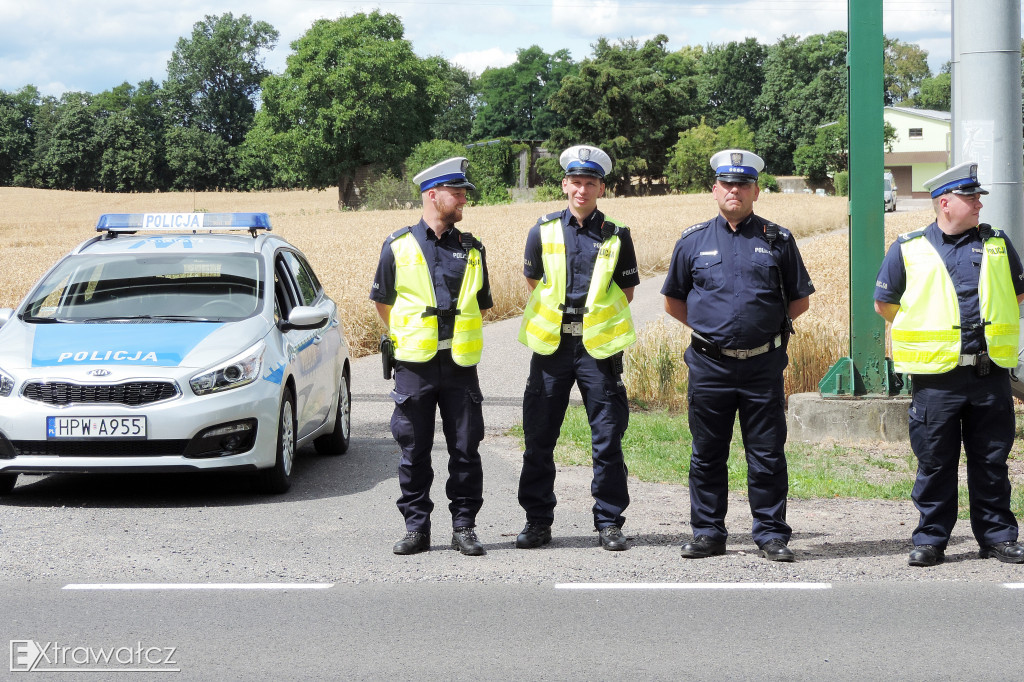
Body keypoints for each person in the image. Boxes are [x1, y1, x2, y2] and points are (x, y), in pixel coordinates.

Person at [662, 149, 814, 562]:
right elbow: (674, 302)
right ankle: (709, 533)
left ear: (756, 192)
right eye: (727, 184)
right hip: (710, 366)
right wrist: (713, 334)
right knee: (707, 452)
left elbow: (798, 301)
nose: (735, 191)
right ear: (715, 190)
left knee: (766, 453)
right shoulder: (692, 241)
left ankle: (770, 534)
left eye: (743, 185)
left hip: (763, 364)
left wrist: (760, 332)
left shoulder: (777, 240)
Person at [874, 161, 1024, 567]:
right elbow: (886, 304)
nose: (979, 204)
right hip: (936, 378)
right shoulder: (908, 248)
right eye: (971, 197)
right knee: (935, 462)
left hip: (989, 374)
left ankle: (997, 537)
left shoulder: (996, 243)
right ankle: (930, 539)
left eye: (977, 197)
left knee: (991, 462)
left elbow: (1016, 295)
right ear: (945, 202)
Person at [515, 144, 640, 552]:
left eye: (591, 183)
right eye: (576, 182)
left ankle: (608, 521)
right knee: (539, 438)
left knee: (607, 437)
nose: (582, 190)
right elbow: (535, 282)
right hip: (552, 347)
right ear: (565, 184)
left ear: (601, 187)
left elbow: (627, 290)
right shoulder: (544, 229)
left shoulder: (617, 234)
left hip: (597, 350)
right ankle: (537, 522)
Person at [371, 157, 492, 557]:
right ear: (432, 194)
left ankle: (464, 527)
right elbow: (384, 303)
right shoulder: (397, 245)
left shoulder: (472, 249)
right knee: (413, 451)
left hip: (459, 366)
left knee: (465, 450)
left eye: (463, 194)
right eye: (456, 193)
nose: (462, 200)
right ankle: (416, 529)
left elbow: (481, 305)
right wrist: (414, 338)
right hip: (414, 366)